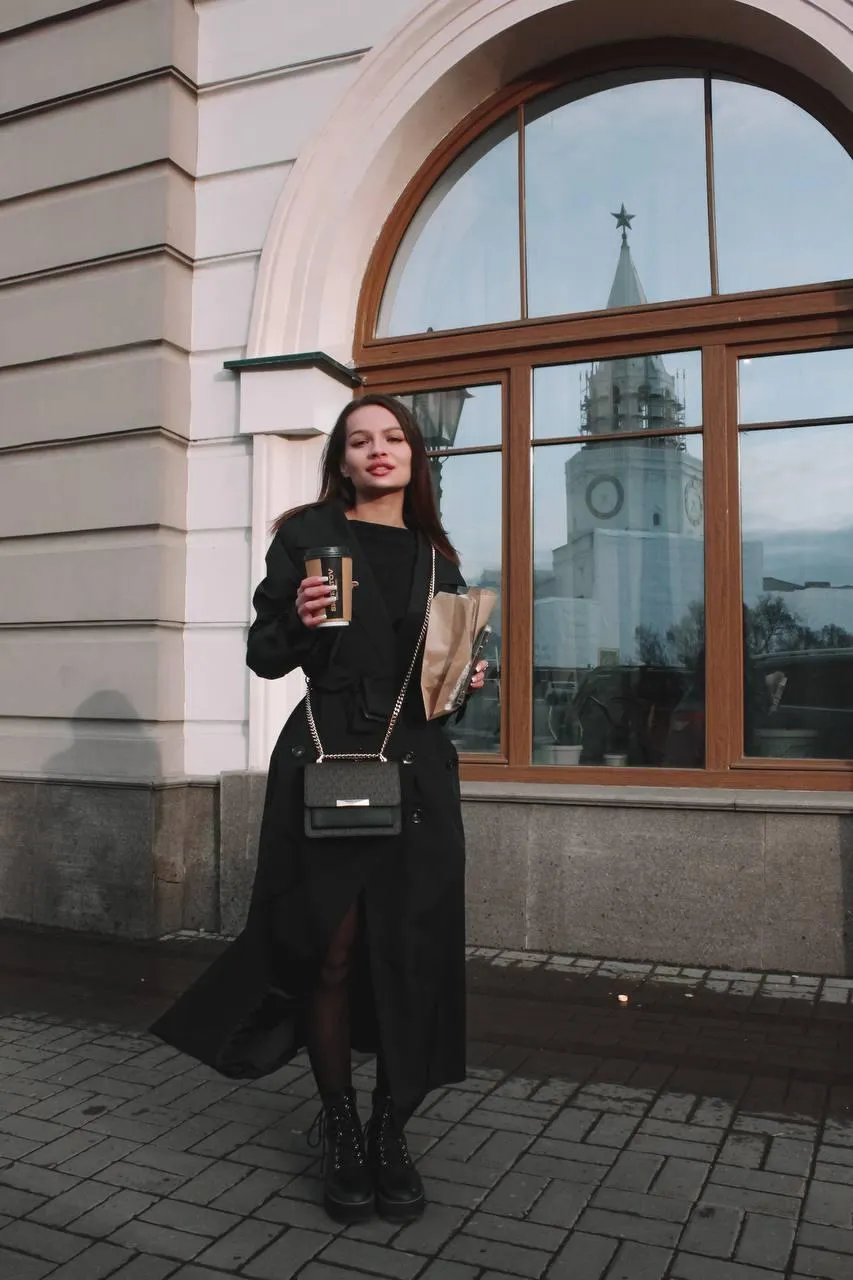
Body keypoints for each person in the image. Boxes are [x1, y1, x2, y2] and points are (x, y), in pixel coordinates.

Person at [151, 393, 487, 1226]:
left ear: (414, 456)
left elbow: (437, 685)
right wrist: (298, 625)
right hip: (329, 760)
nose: (378, 450)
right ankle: (339, 1126)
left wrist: (463, 685)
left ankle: (389, 1127)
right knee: (329, 953)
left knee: (411, 954)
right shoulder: (306, 535)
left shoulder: (436, 555)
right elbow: (265, 657)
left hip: (419, 771)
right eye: (360, 440)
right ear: (339, 458)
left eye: (394, 437)